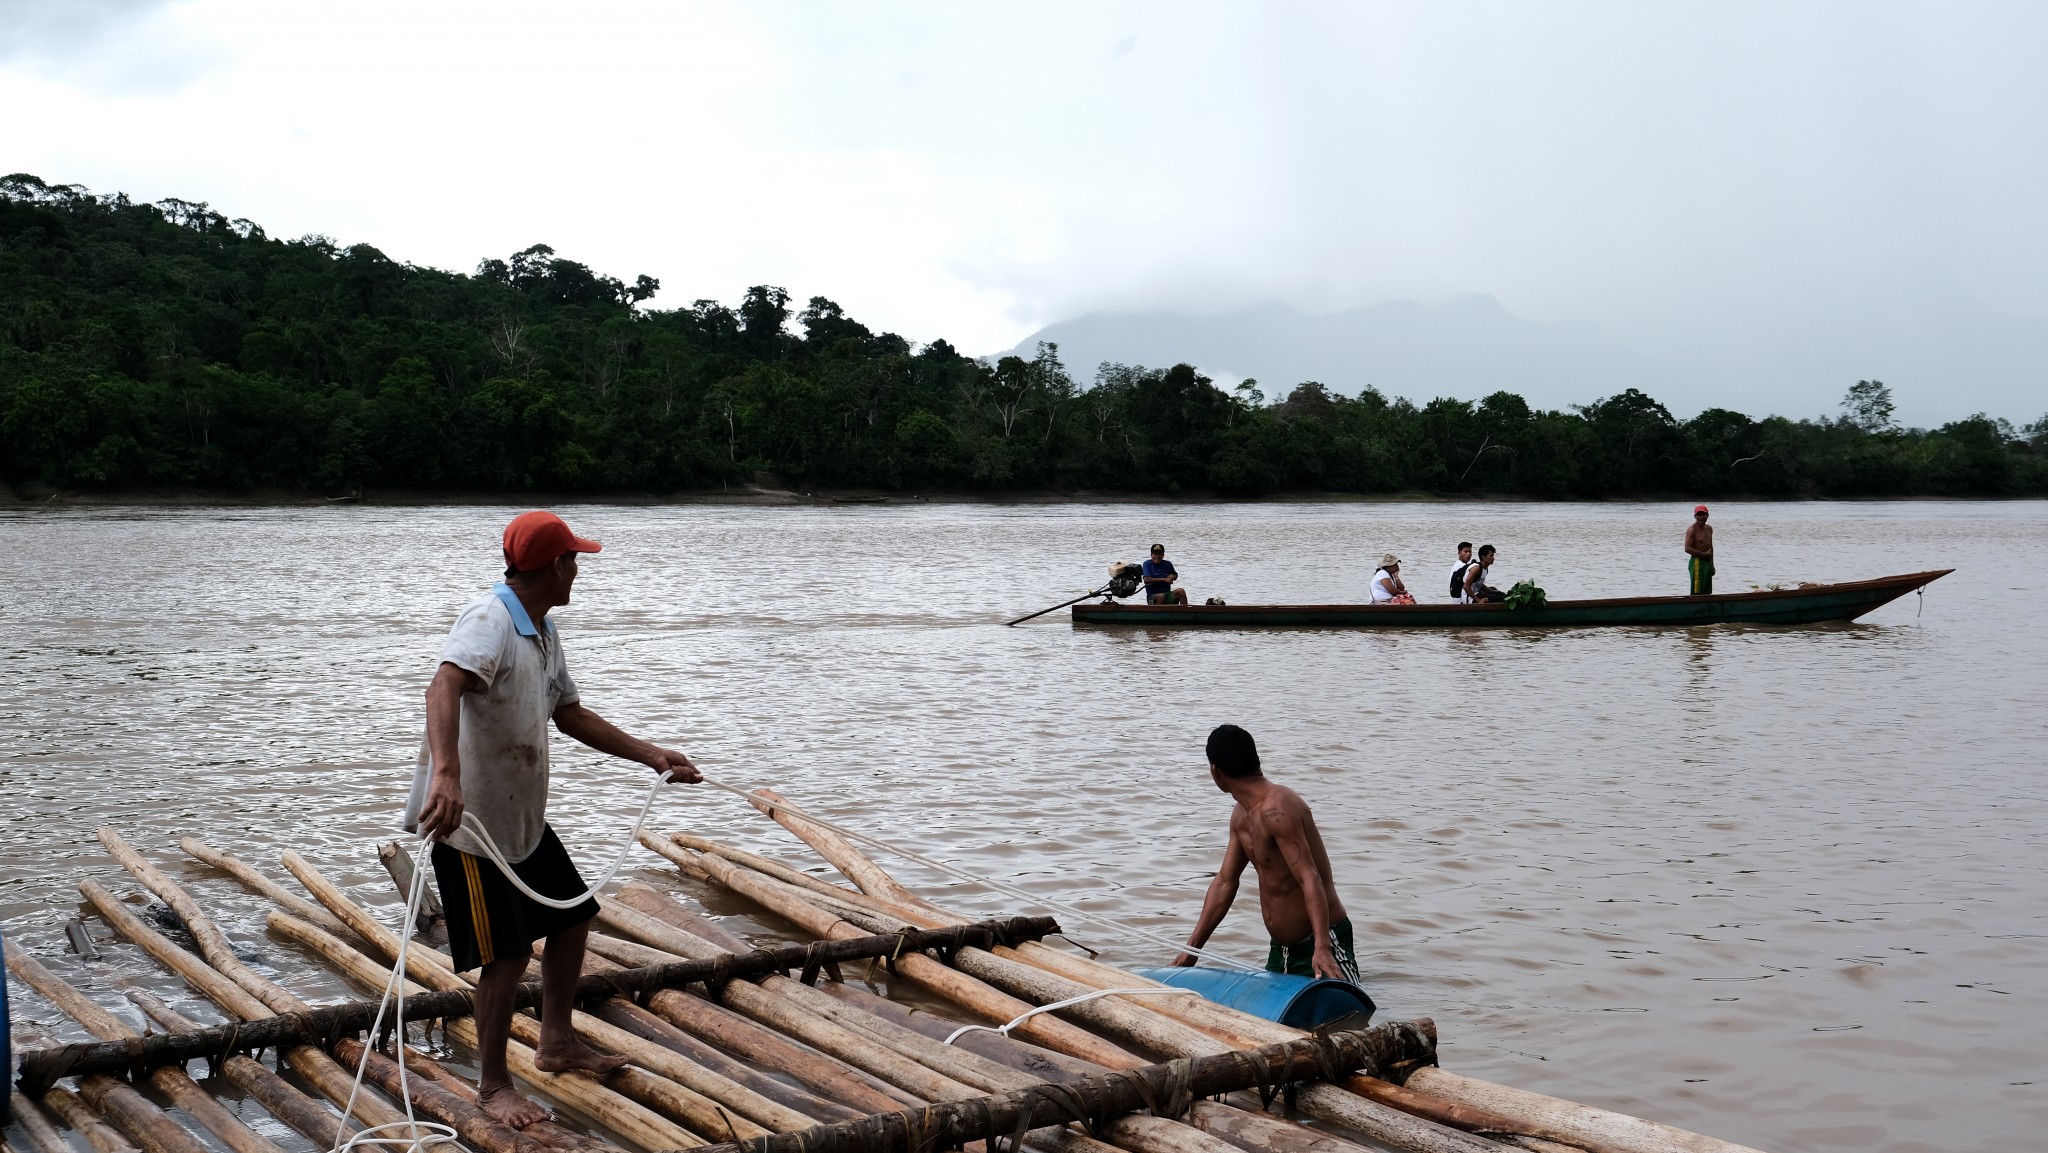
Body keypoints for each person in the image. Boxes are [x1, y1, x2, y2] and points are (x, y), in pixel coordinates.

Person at [404, 510, 701, 1128]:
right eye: (574, 560)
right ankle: (492, 1087)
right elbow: (442, 687)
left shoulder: (540, 629)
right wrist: (447, 776)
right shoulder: (490, 619)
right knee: (506, 958)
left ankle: (557, 1042)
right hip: (471, 829)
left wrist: (651, 754)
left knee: (573, 917)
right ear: (554, 566)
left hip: (521, 823)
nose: (578, 571)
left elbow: (569, 713)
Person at [1171, 725, 1361, 981]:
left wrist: (1323, 947)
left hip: (1322, 940)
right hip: (1281, 951)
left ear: (1215, 771)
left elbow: (1309, 877)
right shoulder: (1241, 816)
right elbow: (1225, 882)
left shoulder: (1278, 808)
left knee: (1346, 1002)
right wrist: (1191, 950)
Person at [1685, 505, 1714, 595]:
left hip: (1707, 562)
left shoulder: (1709, 528)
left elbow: (1711, 547)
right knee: (1697, 591)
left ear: (1707, 515)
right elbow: (1687, 548)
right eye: (1699, 515)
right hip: (1697, 562)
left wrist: (1712, 565)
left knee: (1707, 591)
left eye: (1703, 515)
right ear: (1695, 516)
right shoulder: (1692, 530)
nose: (1701, 517)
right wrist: (1704, 555)